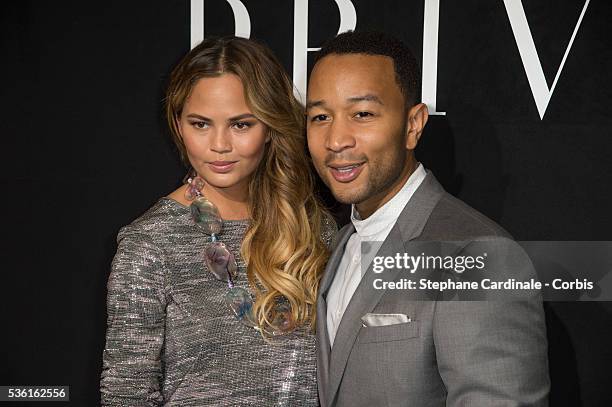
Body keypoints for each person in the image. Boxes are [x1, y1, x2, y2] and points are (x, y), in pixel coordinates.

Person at [306, 31, 550, 406]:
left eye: (363, 114)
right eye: (320, 116)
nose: (337, 140)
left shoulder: (477, 256)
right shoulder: (339, 242)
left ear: (413, 125)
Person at [100, 36, 336, 406]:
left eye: (241, 125)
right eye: (200, 124)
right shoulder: (151, 243)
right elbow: (126, 392)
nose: (219, 145)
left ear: (270, 126)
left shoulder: (314, 228)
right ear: (178, 125)